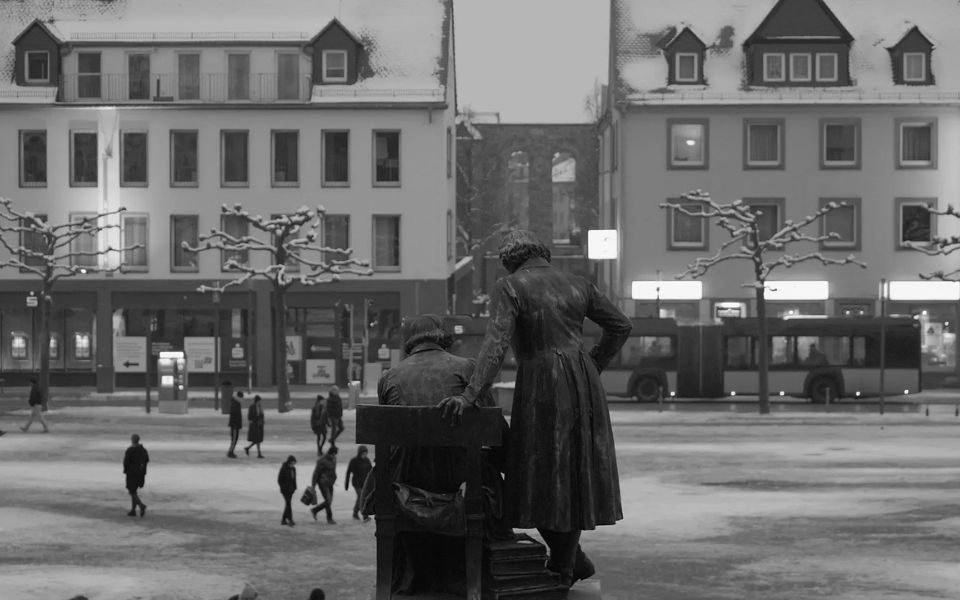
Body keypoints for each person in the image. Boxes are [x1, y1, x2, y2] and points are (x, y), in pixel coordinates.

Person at [438, 229, 632, 589]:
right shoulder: (579, 283)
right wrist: (592, 364)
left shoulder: (510, 286)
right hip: (583, 380)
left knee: (534, 468)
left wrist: (469, 395)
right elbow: (621, 325)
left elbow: (495, 345)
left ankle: (565, 560)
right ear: (543, 255)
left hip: (543, 383)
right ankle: (567, 559)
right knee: (572, 470)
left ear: (511, 262)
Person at [378, 314, 511, 595]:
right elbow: (495, 431)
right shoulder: (467, 369)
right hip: (462, 484)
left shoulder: (390, 377)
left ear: (409, 344)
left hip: (406, 485)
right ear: (444, 339)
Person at [123, 433, 149, 517]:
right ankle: (133, 510)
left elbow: (126, 462)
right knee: (134, 491)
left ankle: (141, 505)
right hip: (140, 473)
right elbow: (146, 460)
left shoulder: (130, 450)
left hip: (132, 473)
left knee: (132, 492)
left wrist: (126, 471)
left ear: (132, 440)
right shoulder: (143, 450)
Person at [310, 446, 338, 524]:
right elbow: (316, 472)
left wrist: (334, 478)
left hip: (330, 482)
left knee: (329, 501)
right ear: (330, 453)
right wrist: (313, 484)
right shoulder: (321, 460)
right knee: (328, 500)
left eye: (335, 454)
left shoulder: (334, 459)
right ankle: (329, 518)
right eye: (333, 454)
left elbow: (333, 470)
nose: (334, 456)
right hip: (323, 482)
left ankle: (315, 510)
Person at [345, 445, 373, 521]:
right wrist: (346, 484)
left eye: (365, 453)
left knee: (362, 498)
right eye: (363, 454)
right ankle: (364, 515)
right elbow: (348, 473)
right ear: (359, 453)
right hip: (356, 483)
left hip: (364, 483)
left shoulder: (367, 460)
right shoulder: (354, 461)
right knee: (361, 497)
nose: (364, 455)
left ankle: (355, 512)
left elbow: (371, 472)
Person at [278, 455, 298, 526]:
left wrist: (295, 487)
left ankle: (283, 520)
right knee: (288, 504)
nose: (293, 465)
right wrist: (284, 487)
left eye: (294, 463)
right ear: (289, 462)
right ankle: (290, 519)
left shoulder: (293, 469)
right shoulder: (283, 469)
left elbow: (294, 479)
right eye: (292, 463)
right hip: (285, 490)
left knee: (287, 504)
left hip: (291, 490)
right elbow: (279, 480)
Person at [227, 391, 243, 458]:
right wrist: (237, 424)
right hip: (235, 425)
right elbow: (235, 415)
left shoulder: (235, 403)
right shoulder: (236, 404)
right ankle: (230, 452)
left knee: (234, 439)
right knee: (234, 439)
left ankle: (231, 451)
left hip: (235, 425)